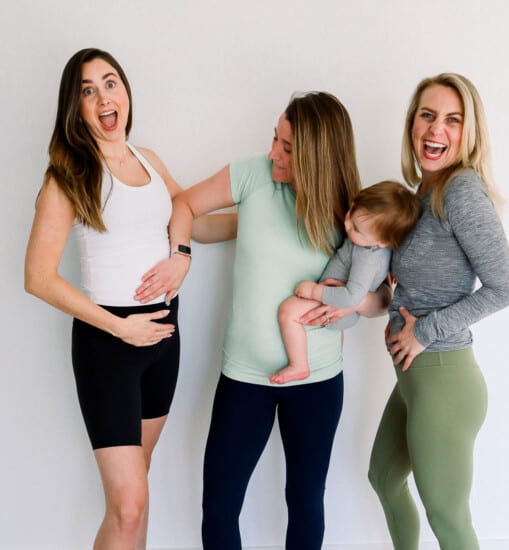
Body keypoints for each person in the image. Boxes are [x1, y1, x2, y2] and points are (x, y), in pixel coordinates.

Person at [167, 91, 392, 549]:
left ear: (316, 154)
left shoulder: (353, 210)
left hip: (318, 381)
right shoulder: (252, 174)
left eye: (287, 147)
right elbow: (185, 205)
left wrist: (350, 304)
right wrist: (180, 256)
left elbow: (382, 297)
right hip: (244, 377)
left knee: (306, 500)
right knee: (220, 507)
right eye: (275, 138)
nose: (274, 151)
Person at [24, 48, 188, 549]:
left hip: (163, 337)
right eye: (87, 91)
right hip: (109, 347)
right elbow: (37, 276)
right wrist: (121, 327)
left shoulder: (150, 161)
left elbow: (189, 213)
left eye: (110, 82)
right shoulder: (67, 176)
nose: (102, 97)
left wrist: (186, 251)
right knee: (129, 504)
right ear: (75, 110)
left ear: (126, 92)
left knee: (135, 495)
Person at [367, 73, 509, 550]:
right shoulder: (421, 196)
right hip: (416, 378)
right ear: (413, 123)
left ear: (468, 132)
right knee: (384, 479)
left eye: (453, 120)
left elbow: (502, 288)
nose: (436, 130)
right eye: (427, 116)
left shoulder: (461, 191)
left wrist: (425, 331)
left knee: (448, 518)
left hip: (444, 378)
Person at [270, 181, 421, 385]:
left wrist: (315, 291)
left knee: (288, 311)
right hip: (336, 299)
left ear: (382, 241)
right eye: (351, 212)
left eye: (356, 229)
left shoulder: (367, 257)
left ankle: (299, 365)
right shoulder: (372, 242)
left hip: (337, 303)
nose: (347, 224)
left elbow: (352, 297)